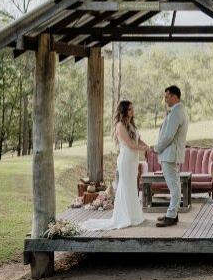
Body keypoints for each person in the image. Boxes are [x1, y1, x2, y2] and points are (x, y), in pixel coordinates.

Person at [81, 100, 149, 231]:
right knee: (125, 185)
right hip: (126, 158)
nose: (132, 111)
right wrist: (144, 149)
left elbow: (138, 139)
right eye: (129, 109)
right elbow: (130, 144)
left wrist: (147, 146)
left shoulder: (131, 124)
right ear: (123, 111)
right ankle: (123, 216)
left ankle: (134, 215)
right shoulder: (120, 126)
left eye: (132, 109)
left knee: (131, 186)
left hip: (133, 159)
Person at [153, 85, 189, 228]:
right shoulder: (178, 111)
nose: (165, 99)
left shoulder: (176, 112)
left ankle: (171, 215)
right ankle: (172, 213)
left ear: (174, 96)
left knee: (173, 186)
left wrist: (157, 148)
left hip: (169, 154)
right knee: (174, 185)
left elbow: (168, 135)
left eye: (167, 96)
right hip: (170, 154)